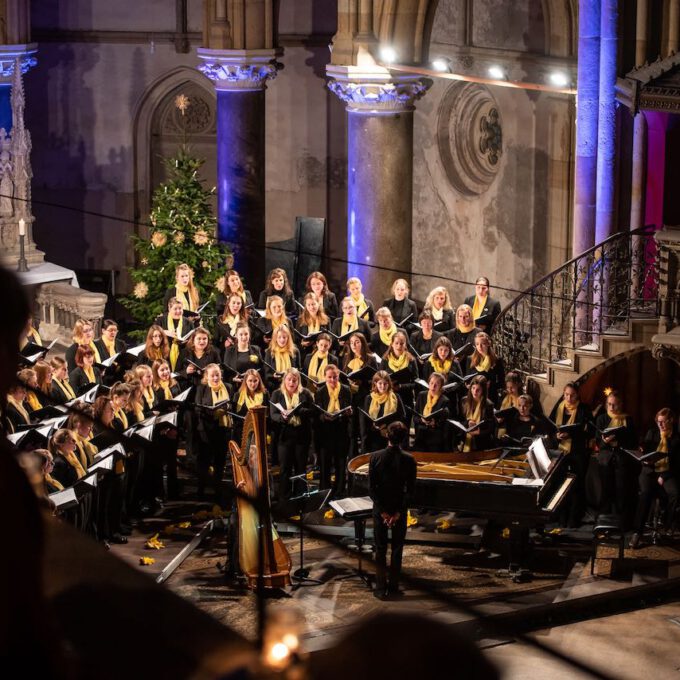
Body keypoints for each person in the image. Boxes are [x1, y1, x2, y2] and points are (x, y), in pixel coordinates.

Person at [369, 421, 417, 599]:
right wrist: (397, 513)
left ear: (386, 436)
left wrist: (382, 512)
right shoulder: (409, 459)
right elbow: (410, 491)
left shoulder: (375, 457)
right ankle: (394, 586)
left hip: (380, 508)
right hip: (399, 509)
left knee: (380, 548)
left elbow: (372, 489)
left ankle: (380, 588)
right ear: (404, 439)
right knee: (397, 549)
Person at [630, 408, 680, 548]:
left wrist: (663, 476)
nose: (660, 425)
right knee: (645, 494)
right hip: (649, 471)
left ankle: (666, 524)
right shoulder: (652, 433)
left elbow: (677, 464)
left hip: (667, 473)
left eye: (663, 422)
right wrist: (643, 453)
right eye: (658, 422)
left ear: (671, 421)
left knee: (675, 493)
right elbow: (646, 449)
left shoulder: (676, 438)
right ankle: (637, 533)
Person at [549, 382, 592, 528]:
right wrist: (557, 437)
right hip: (560, 452)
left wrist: (572, 434)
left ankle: (574, 520)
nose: (569, 398)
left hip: (577, 452)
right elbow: (550, 428)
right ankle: (561, 519)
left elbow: (589, 432)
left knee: (575, 486)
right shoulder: (559, 407)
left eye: (572, 395)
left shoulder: (584, 409)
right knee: (560, 485)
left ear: (577, 395)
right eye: (566, 394)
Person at [269, 367, 314, 501]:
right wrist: (282, 418)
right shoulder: (277, 394)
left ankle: (300, 497)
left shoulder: (305, 393)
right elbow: (273, 414)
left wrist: (299, 412)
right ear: (285, 380)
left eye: (294, 380)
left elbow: (313, 412)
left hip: (301, 435)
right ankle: (285, 498)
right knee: (285, 469)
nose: (292, 382)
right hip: (284, 436)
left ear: (298, 381)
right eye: (289, 379)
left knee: (300, 468)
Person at [595, 389, 637, 519]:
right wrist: (604, 441)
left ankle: (621, 519)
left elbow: (633, 442)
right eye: (609, 404)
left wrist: (617, 443)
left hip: (622, 458)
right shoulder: (602, 418)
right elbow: (597, 441)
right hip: (605, 458)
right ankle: (604, 518)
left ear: (620, 404)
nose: (612, 407)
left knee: (621, 490)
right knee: (606, 489)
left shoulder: (628, 419)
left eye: (615, 404)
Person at [195, 363, 232, 501]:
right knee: (204, 462)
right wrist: (211, 411)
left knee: (220, 462)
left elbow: (231, 406)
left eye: (217, 375)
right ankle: (200, 491)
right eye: (212, 375)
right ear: (206, 376)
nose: (216, 378)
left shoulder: (228, 387)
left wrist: (227, 408)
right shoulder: (202, 388)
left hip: (223, 430)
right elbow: (197, 409)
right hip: (206, 430)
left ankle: (217, 491)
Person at [314, 363, 352, 497]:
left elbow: (349, 408)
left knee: (340, 463)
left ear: (339, 376)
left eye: (335, 377)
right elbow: (316, 413)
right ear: (324, 377)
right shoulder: (320, 392)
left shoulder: (346, 390)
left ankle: (340, 490)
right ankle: (325, 492)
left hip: (341, 430)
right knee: (325, 464)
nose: (332, 380)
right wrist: (324, 417)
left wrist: (348, 413)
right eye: (329, 377)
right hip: (326, 432)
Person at [361, 370, 406, 454]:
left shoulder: (396, 396)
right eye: (380, 383)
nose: (383, 386)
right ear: (375, 384)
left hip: (391, 437)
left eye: (385, 383)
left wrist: (388, 428)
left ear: (389, 384)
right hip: (374, 437)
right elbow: (366, 419)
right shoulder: (369, 398)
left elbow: (402, 416)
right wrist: (375, 428)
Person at [154, 297, 197, 371]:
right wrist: (163, 332)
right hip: (164, 354)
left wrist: (187, 342)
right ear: (169, 308)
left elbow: (193, 339)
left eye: (180, 308)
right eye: (175, 309)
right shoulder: (161, 320)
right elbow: (152, 335)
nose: (178, 311)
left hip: (182, 355)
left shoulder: (188, 323)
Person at [382, 330, 419, 414]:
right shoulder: (385, 360)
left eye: (402, 343)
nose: (399, 346)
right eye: (396, 343)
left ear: (405, 344)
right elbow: (378, 379)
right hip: (389, 397)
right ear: (392, 344)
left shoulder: (411, 360)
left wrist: (401, 386)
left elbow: (416, 382)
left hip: (406, 397)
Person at [413, 372, 452, 452]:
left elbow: (445, 423)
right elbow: (415, 418)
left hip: (435, 435)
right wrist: (421, 420)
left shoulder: (444, 400)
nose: (433, 387)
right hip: (421, 433)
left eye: (437, 384)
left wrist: (435, 423)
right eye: (431, 383)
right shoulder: (421, 395)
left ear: (441, 387)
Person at [459, 375, 495, 452]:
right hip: (466, 440)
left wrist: (479, 432)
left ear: (483, 390)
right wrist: (468, 422)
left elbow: (491, 428)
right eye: (473, 388)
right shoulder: (464, 401)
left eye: (478, 389)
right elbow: (460, 421)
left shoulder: (488, 405)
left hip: (482, 443)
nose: (475, 392)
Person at [465, 332, 505, 401]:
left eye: (482, 344)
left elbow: (502, 382)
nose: (479, 347)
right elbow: (468, 378)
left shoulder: (496, 360)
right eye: (477, 344)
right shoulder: (470, 359)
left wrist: (491, 385)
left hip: (490, 396)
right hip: (474, 395)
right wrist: (469, 385)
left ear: (488, 344)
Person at [223, 322, 263, 389]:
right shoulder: (229, 351)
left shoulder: (256, 349)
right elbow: (226, 372)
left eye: (246, 334)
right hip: (236, 387)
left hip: (253, 386)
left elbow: (261, 369)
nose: (244, 337)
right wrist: (233, 379)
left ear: (249, 335)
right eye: (241, 334)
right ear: (236, 335)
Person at [263, 324, 300, 393]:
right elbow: (266, 373)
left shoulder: (295, 351)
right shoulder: (269, 352)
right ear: (275, 338)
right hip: (275, 388)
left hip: (292, 387)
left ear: (288, 338)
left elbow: (299, 370)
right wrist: (273, 376)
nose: (282, 340)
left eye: (284, 337)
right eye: (279, 337)